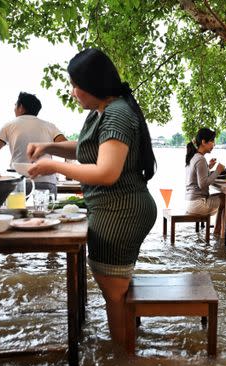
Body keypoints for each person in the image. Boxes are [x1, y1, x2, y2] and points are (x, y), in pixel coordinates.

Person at [26, 48, 157, 350]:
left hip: (120, 211)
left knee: (114, 296)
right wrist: (48, 148)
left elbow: (107, 172)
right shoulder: (103, 111)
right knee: (117, 292)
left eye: (75, 84)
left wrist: (52, 166)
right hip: (115, 207)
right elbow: (87, 149)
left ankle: (125, 364)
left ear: (93, 84)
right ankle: (126, 363)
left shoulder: (117, 114)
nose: (73, 92)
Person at [0, 92, 67, 195]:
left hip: (19, 183)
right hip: (46, 181)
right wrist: (68, 172)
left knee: (17, 210)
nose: (14, 108)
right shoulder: (50, 126)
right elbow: (66, 147)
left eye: (15, 105)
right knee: (47, 210)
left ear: (21, 107)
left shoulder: (9, 126)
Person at [185, 128, 226, 235]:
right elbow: (203, 184)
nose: (214, 144)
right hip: (198, 204)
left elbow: (198, 177)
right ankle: (224, 233)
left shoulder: (195, 157)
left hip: (191, 202)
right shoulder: (200, 159)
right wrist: (218, 170)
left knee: (224, 197)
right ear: (204, 142)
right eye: (212, 141)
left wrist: (208, 167)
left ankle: (218, 231)